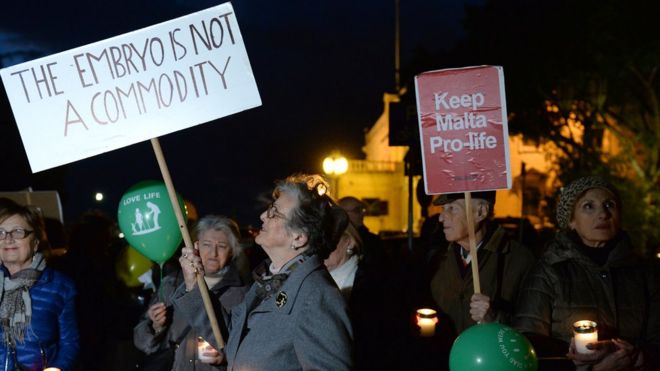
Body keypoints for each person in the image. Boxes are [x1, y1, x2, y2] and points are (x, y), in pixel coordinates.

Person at [174, 174, 353, 370]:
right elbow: (228, 334)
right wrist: (193, 282)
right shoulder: (270, 282)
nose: (262, 216)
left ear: (299, 238)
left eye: (274, 213)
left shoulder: (316, 297)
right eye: (269, 209)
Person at [514, 176, 660, 370]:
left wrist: (638, 357)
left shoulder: (645, 273)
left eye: (609, 205)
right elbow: (526, 349)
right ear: (572, 221)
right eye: (588, 206)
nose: (603, 214)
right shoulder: (548, 272)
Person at [134, 215, 248, 370]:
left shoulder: (242, 293)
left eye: (221, 246)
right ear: (196, 246)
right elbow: (141, 340)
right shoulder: (172, 283)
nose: (213, 253)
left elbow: (249, 347)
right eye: (206, 244)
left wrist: (225, 356)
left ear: (232, 251)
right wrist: (156, 326)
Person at [429, 191, 536, 336]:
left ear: (481, 212)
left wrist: (495, 319)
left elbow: (532, 329)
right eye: (443, 209)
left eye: (452, 208)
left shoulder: (519, 260)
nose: (441, 218)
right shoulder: (438, 258)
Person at [0, 197, 79, 370]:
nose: (8, 239)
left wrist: (57, 368)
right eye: (1, 232)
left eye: (18, 231)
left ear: (35, 242)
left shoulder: (60, 286)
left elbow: (70, 344)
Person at [325, 222, 393, 371]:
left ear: (349, 241)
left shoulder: (378, 281)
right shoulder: (311, 279)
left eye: (327, 239)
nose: (319, 247)